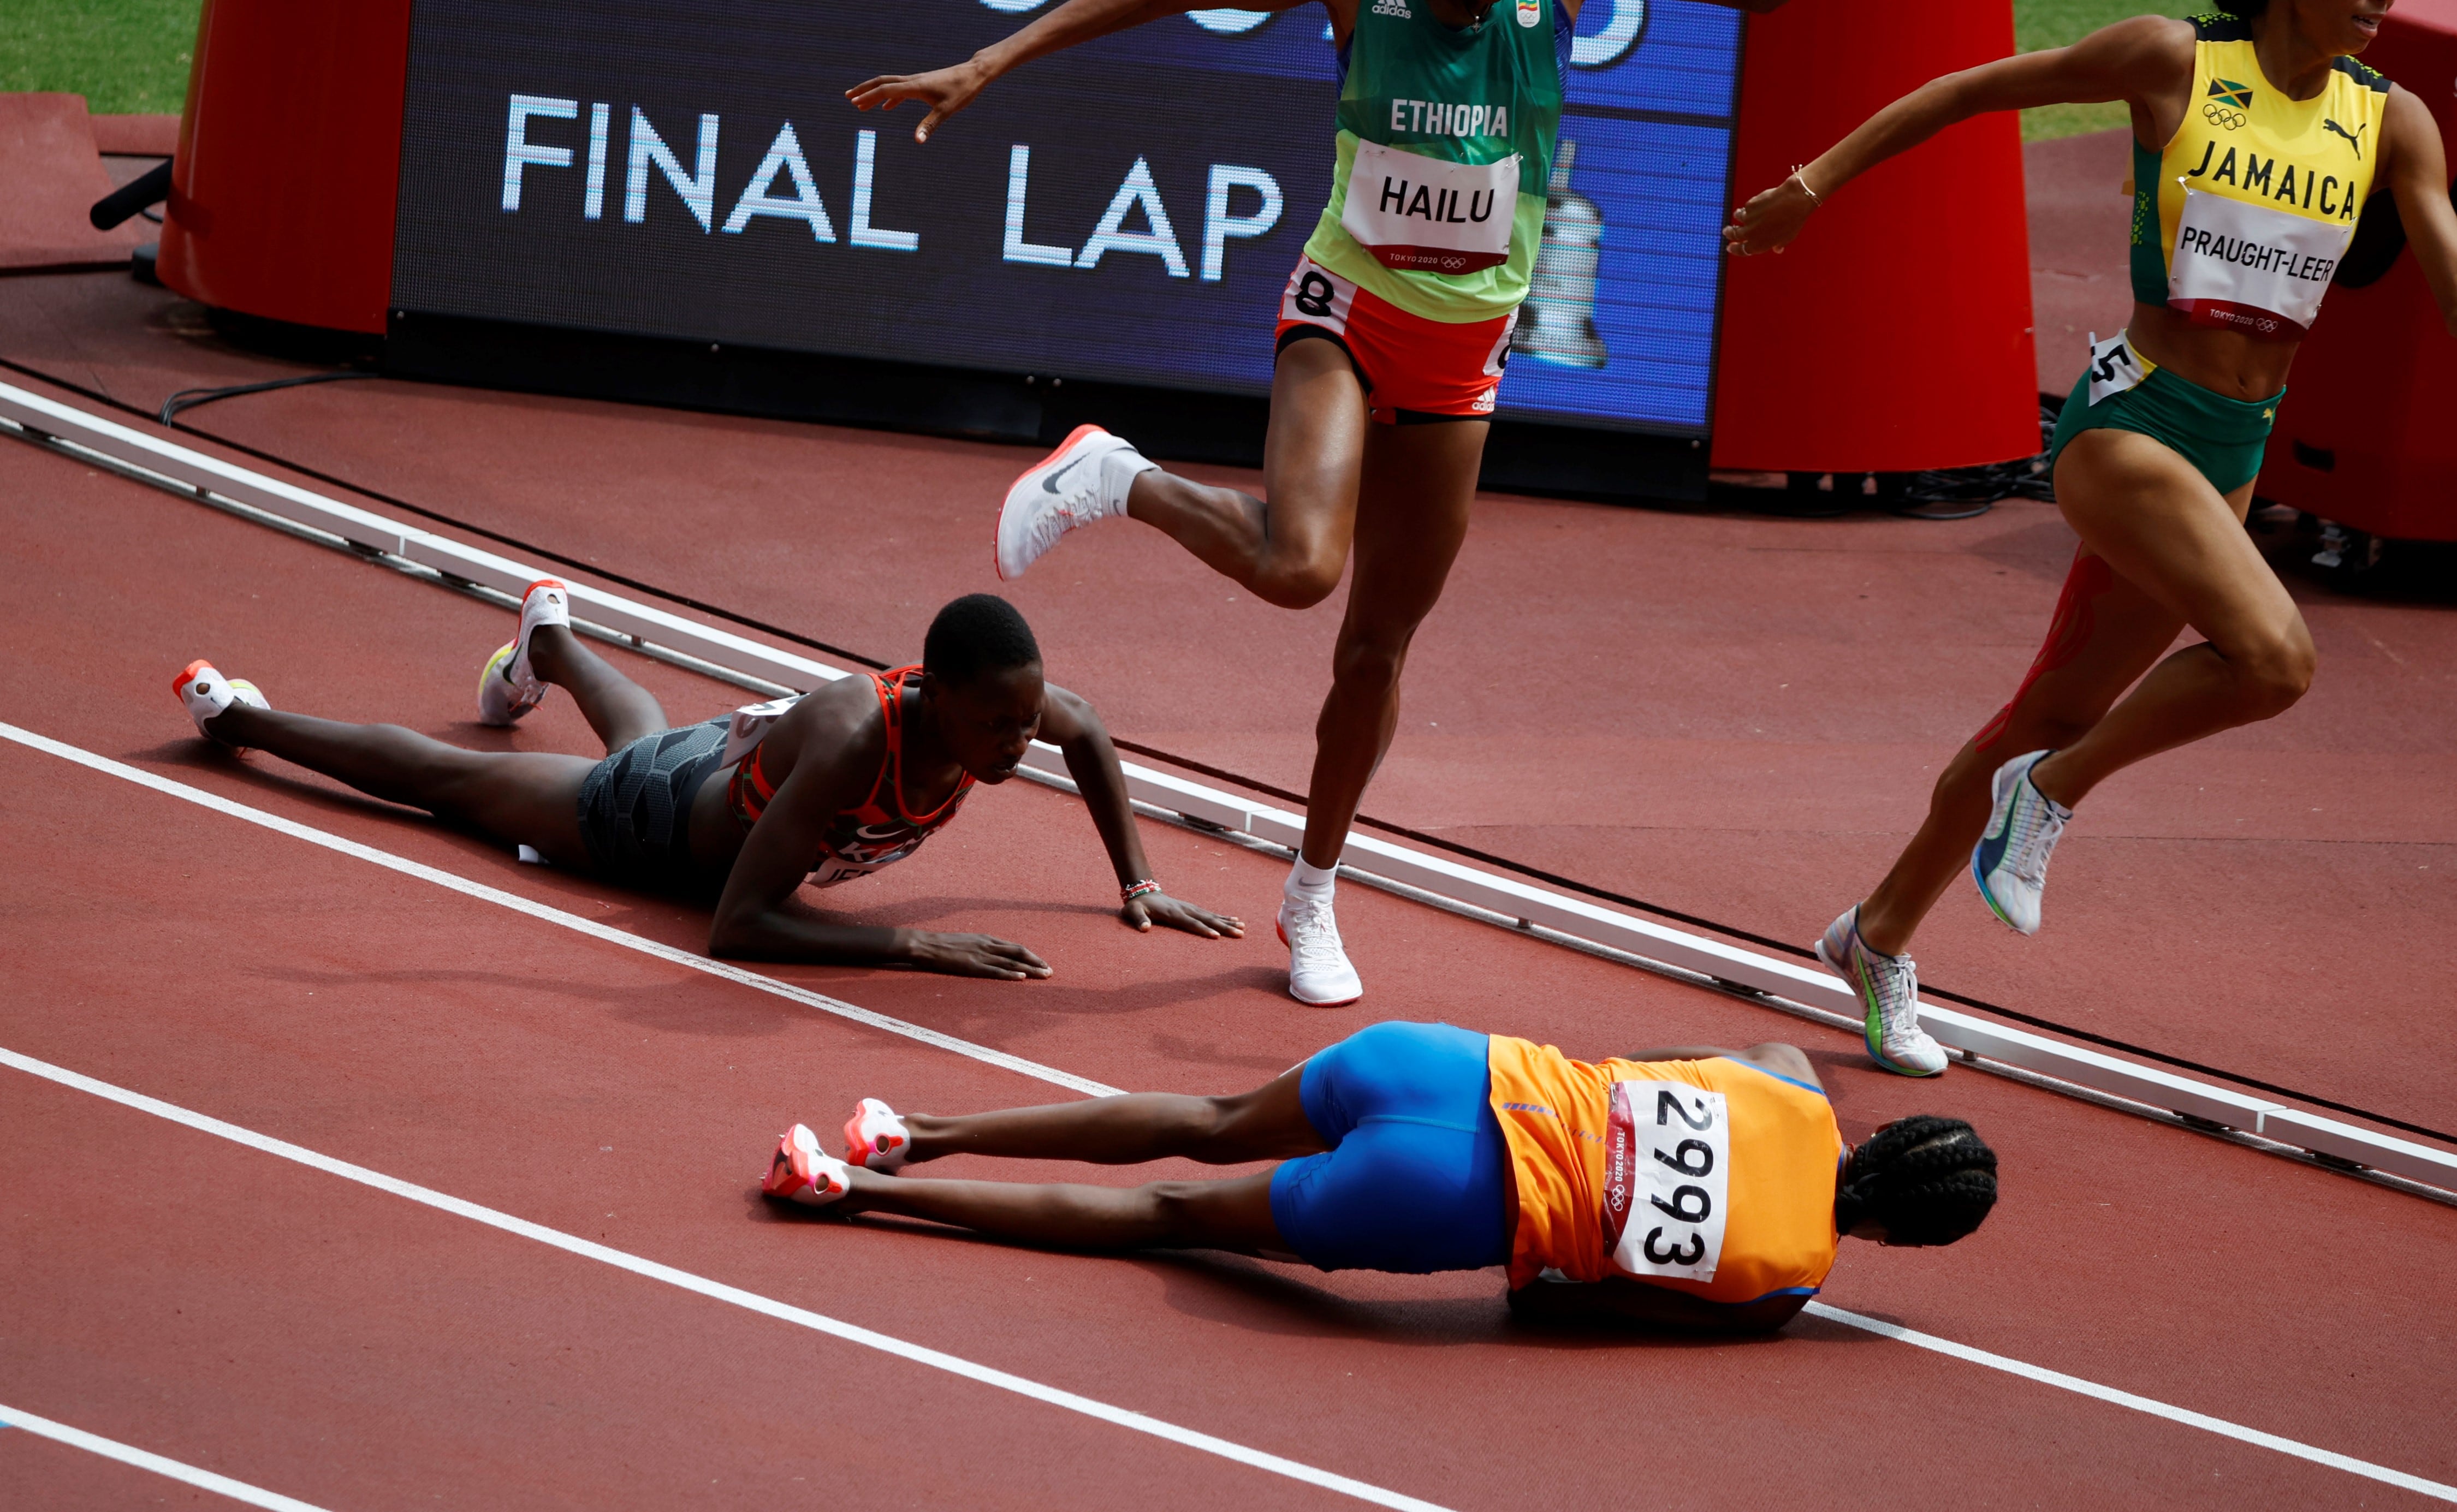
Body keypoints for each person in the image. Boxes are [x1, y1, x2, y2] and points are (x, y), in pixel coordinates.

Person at [851, 0, 1788, 1007]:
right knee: (1302, 569)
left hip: (1464, 362)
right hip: (1345, 313)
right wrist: (995, 58)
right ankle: (1120, 477)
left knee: (1376, 652)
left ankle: (1313, 890)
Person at [1722, 0, 2457, 1075]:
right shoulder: (2172, 58)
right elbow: (1969, 90)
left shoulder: (2392, 121)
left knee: (2051, 712)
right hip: (2132, 424)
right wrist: (1812, 186)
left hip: (2233, 451)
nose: (2381, 2)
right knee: (2275, 660)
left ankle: (1875, 936)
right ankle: (2052, 789)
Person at [172, 586, 1241, 977]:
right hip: (651, 826)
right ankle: (242, 718)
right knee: (444, 781)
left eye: (1027, 717)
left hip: (722, 761)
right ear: (940, 693)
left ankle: (550, 639)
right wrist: (911, 943)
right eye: (1003, 723)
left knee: (645, 729)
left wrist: (1138, 884)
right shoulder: (854, 744)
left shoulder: (1008, 701)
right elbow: (736, 924)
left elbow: (1092, 732)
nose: (1023, 741)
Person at [760, 1020, 1997, 1332]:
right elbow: (1557, 1303)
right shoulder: (1782, 1287)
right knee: (1166, 1215)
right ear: (1900, 1237)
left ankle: (914, 1124)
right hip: (1452, 1198)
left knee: (1203, 1115)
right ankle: (848, 1191)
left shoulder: (1787, 1071)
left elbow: (1641, 1067)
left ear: (1884, 1137)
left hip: (1452, 1066)